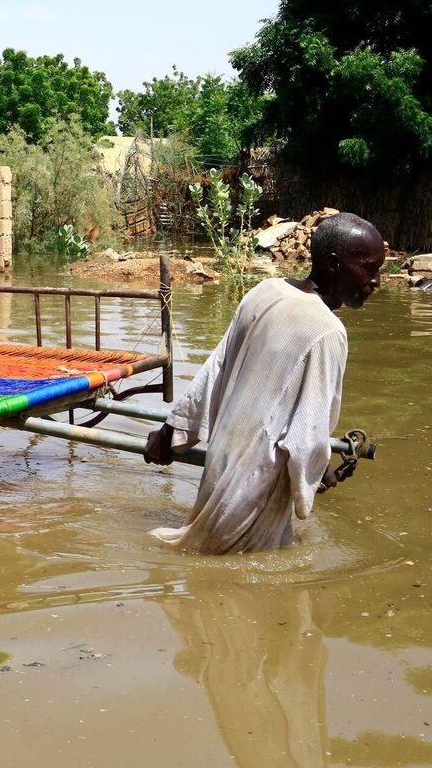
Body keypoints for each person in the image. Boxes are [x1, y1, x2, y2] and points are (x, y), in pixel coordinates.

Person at [143, 212, 385, 554]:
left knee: (201, 553)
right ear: (334, 265)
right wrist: (314, 480)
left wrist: (170, 433)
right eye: (370, 268)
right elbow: (309, 433)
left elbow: (215, 369)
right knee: (236, 582)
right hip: (258, 486)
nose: (376, 281)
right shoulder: (328, 331)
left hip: (221, 465)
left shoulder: (265, 291)